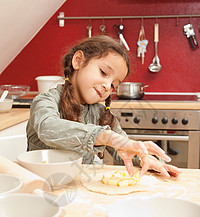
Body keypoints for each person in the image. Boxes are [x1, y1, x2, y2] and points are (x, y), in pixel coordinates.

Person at [27, 35, 181, 178]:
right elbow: (48, 127)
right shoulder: (45, 101)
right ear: (78, 61)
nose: (108, 86)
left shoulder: (100, 114)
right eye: (103, 72)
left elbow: (125, 149)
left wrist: (143, 158)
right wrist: (106, 136)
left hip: (80, 189)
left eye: (113, 85)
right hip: (40, 188)